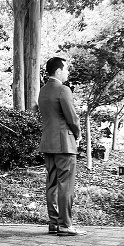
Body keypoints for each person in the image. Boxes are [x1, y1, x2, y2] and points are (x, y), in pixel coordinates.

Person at [37, 56, 85, 236]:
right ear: (58, 71)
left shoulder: (43, 91)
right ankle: (66, 225)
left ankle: (54, 222)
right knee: (66, 185)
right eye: (66, 69)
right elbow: (72, 118)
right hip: (64, 144)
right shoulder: (63, 90)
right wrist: (78, 134)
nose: (67, 72)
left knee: (52, 184)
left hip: (48, 142)